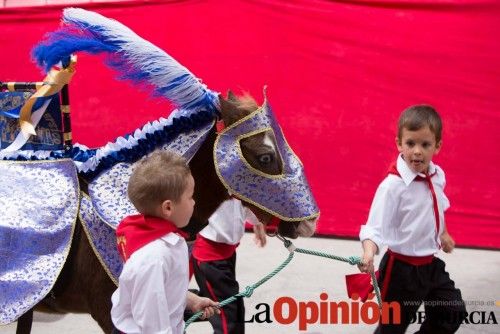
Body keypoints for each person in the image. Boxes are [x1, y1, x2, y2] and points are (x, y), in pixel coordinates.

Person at [358, 105, 466, 333]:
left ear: (437, 146)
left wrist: (443, 233)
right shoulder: (392, 186)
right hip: (400, 272)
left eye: (425, 145)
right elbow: (373, 227)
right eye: (410, 144)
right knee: (392, 328)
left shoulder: (438, 175)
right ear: (399, 144)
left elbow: (437, 205)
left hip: (430, 265)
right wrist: (368, 253)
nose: (417, 151)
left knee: (452, 311)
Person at [111, 150, 219, 334]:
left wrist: (191, 300)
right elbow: (152, 323)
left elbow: (162, 289)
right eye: (190, 196)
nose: (194, 203)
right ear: (168, 207)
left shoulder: (165, 241)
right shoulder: (154, 256)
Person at [191, 198, 266, 334]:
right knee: (227, 319)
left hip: (227, 254)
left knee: (235, 309)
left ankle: (180, 301)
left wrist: (258, 220)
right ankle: (178, 303)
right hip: (210, 259)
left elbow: (243, 200)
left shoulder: (238, 180)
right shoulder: (214, 180)